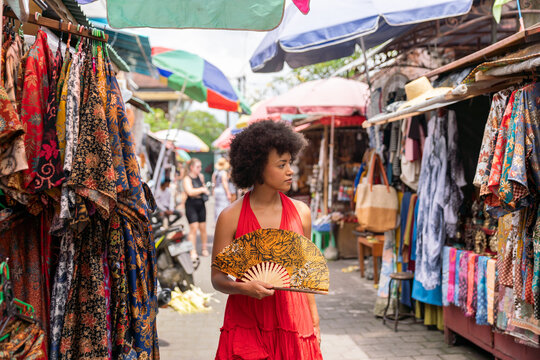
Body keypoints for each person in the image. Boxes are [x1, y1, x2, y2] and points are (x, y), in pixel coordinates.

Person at [211, 120, 322, 359]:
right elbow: (217, 279)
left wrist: (314, 321)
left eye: (289, 163)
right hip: (247, 319)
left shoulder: (302, 212)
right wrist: (243, 287)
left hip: (293, 318)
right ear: (258, 167)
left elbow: (306, 275)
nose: (290, 170)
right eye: (281, 165)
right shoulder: (230, 217)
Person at [183, 158, 210, 259]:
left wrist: (204, 190)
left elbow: (202, 188)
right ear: (192, 167)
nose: (200, 169)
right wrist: (202, 189)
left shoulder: (201, 176)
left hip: (201, 204)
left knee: (203, 228)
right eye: (198, 167)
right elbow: (189, 192)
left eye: (200, 167)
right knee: (193, 228)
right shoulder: (187, 178)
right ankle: (192, 250)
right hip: (191, 204)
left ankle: (204, 248)